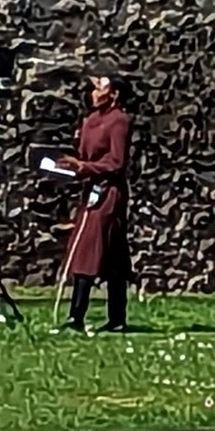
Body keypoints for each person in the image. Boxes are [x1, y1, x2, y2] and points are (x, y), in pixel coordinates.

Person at [57, 72, 136, 333]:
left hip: (109, 193)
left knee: (90, 249)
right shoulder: (90, 120)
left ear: (114, 94)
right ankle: (115, 318)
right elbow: (84, 156)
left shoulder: (119, 120)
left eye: (100, 88)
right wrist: (70, 167)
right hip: (91, 190)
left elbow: (116, 162)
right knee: (109, 253)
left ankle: (78, 315)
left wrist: (85, 167)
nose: (93, 92)